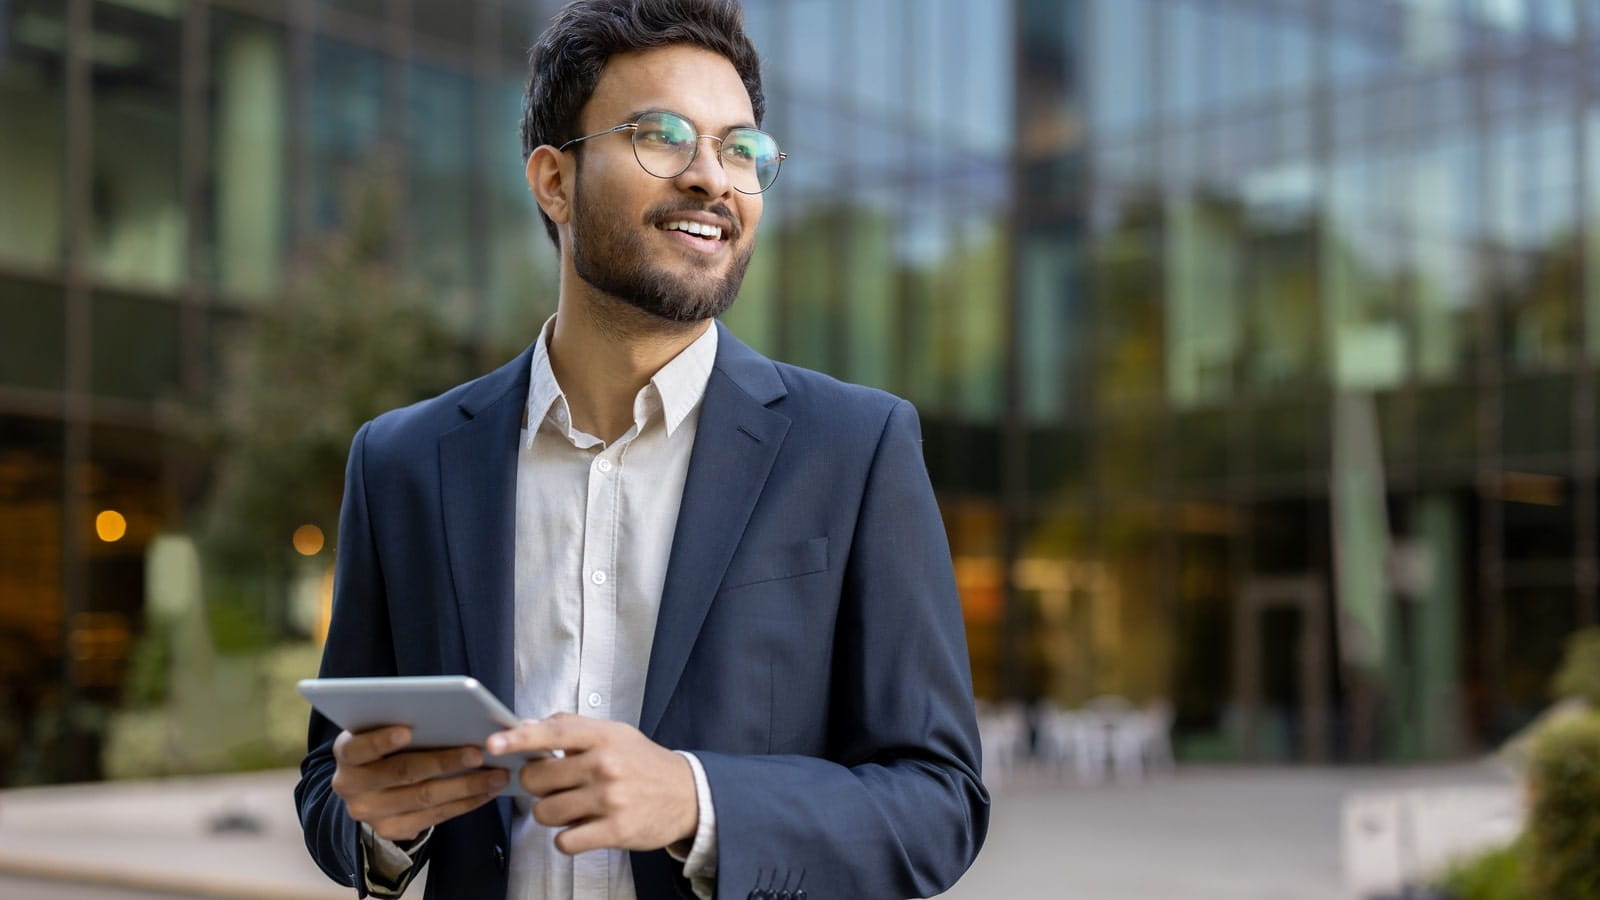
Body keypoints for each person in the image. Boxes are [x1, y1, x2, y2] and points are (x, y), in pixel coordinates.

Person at [294, 1, 989, 897]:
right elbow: (330, 788)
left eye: (743, 151)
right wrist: (384, 825)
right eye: (662, 136)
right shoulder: (402, 463)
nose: (712, 179)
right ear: (554, 182)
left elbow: (940, 804)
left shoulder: (855, 450)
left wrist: (698, 801)